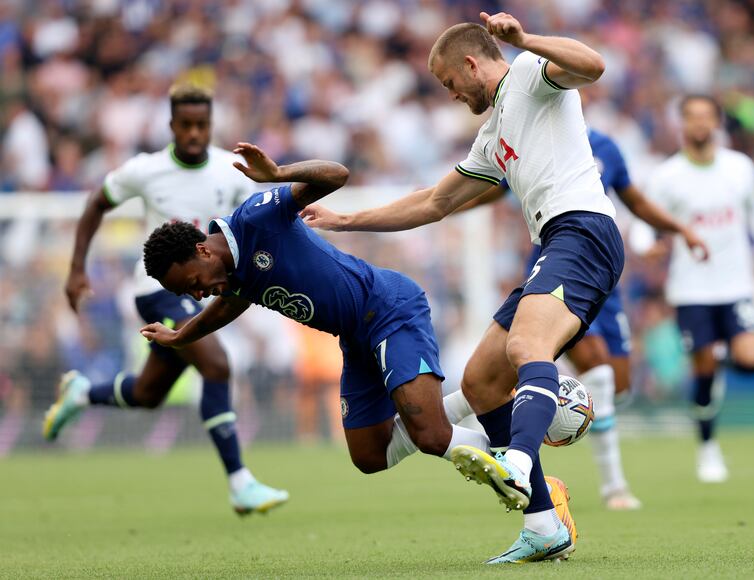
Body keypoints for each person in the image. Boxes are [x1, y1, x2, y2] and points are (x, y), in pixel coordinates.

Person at [300, 11, 617, 563]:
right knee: (481, 383)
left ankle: (517, 460)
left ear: (472, 63)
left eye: (449, 82)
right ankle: (544, 524)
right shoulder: (493, 136)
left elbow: (593, 65)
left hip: (583, 229)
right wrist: (347, 221)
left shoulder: (530, 75)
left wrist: (524, 40)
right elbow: (434, 201)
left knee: (525, 349)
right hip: (554, 242)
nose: (449, 94)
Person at [138, 142, 494, 484]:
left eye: (193, 283)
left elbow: (336, 174)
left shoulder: (255, 219)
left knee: (431, 436)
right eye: (189, 293)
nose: (198, 294)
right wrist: (181, 336)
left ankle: (524, 478)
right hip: (355, 338)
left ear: (202, 251)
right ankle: (471, 400)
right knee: (369, 456)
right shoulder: (231, 276)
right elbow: (228, 305)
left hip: (387, 309)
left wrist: (278, 173)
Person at [43, 84, 288, 515]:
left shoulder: (228, 171)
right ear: (172, 125)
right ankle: (239, 481)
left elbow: (244, 227)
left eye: (202, 125)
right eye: (187, 125)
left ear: (210, 125)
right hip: (154, 289)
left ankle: (81, 393)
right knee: (217, 364)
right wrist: (77, 267)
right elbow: (96, 204)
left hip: (200, 287)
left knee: (147, 392)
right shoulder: (145, 170)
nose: (195, 133)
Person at [460, 127, 709, 509]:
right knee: (587, 369)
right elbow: (496, 188)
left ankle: (474, 417)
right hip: (554, 267)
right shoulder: (535, 138)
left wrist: (677, 229)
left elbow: (634, 199)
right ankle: (612, 486)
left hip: (599, 270)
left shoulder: (606, 145)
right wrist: (445, 205)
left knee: (616, 383)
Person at [641, 94, 754, 483]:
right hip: (691, 290)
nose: (700, 124)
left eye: (707, 117)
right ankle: (708, 448)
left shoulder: (739, 168)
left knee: (753, 358)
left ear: (718, 122)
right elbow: (644, 221)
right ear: (682, 124)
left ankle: (724, 356)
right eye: (692, 117)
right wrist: (648, 244)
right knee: (702, 371)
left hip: (735, 285)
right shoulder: (666, 176)